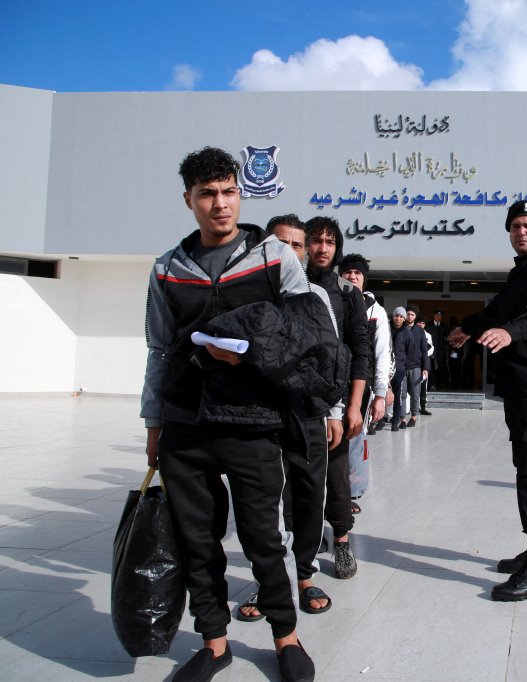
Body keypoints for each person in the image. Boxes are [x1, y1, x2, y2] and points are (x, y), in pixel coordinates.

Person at [141, 147, 316, 681]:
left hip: (252, 421)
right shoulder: (168, 268)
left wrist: (250, 351)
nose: (221, 204)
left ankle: (286, 637)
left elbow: (305, 332)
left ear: (240, 194)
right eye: (208, 194)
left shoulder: (273, 257)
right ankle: (215, 643)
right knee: (197, 541)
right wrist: (153, 423)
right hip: (185, 422)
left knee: (263, 539)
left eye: (229, 192)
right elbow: (158, 349)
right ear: (189, 200)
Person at [448, 200, 527, 601]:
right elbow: (496, 312)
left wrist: (510, 333)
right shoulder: (520, 274)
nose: (523, 231)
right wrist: (467, 328)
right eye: (516, 226)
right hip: (520, 385)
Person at [236, 214, 343, 622]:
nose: (289, 252)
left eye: (297, 245)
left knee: (309, 494)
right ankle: (268, 580)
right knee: (263, 500)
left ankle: (304, 574)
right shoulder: (248, 293)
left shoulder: (316, 296)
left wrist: (334, 413)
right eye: (280, 244)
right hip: (258, 411)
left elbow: (331, 357)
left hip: (306, 411)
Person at [304, 215, 370, 579]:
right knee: (297, 481)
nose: (322, 248)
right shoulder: (291, 287)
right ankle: (305, 542)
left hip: (339, 403)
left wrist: (355, 405)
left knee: (337, 478)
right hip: (299, 403)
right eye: (316, 240)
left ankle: (341, 540)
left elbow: (361, 351)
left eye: (330, 242)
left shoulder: (348, 293)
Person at [338, 253, 394, 513]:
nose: (352, 276)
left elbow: (383, 353)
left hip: (362, 386)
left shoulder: (376, 311)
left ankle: (350, 494)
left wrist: (381, 393)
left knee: (353, 440)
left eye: (357, 273)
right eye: (347, 272)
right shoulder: (330, 301)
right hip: (330, 383)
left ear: (363, 278)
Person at [401, 304, 430, 427]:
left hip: (416, 366)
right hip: (401, 366)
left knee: (415, 394)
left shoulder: (420, 331)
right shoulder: (400, 328)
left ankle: (413, 417)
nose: (409, 316)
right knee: (402, 394)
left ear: (415, 316)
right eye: (408, 314)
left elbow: (424, 350)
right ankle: (402, 419)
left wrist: (425, 368)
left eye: (412, 314)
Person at [426, 309, 449, 390]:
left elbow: (447, 338)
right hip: (431, 350)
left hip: (441, 351)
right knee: (432, 367)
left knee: (440, 368)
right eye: (437, 315)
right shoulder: (428, 325)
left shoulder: (444, 326)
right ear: (434, 316)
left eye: (440, 316)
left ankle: (440, 384)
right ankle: (432, 384)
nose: (439, 317)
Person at [416, 318, 434, 414]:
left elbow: (431, 348)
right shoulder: (411, 332)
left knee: (424, 386)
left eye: (423, 323)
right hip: (414, 362)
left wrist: (424, 354)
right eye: (419, 322)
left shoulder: (428, 335)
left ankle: (423, 407)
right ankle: (413, 407)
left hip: (424, 362)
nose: (421, 324)